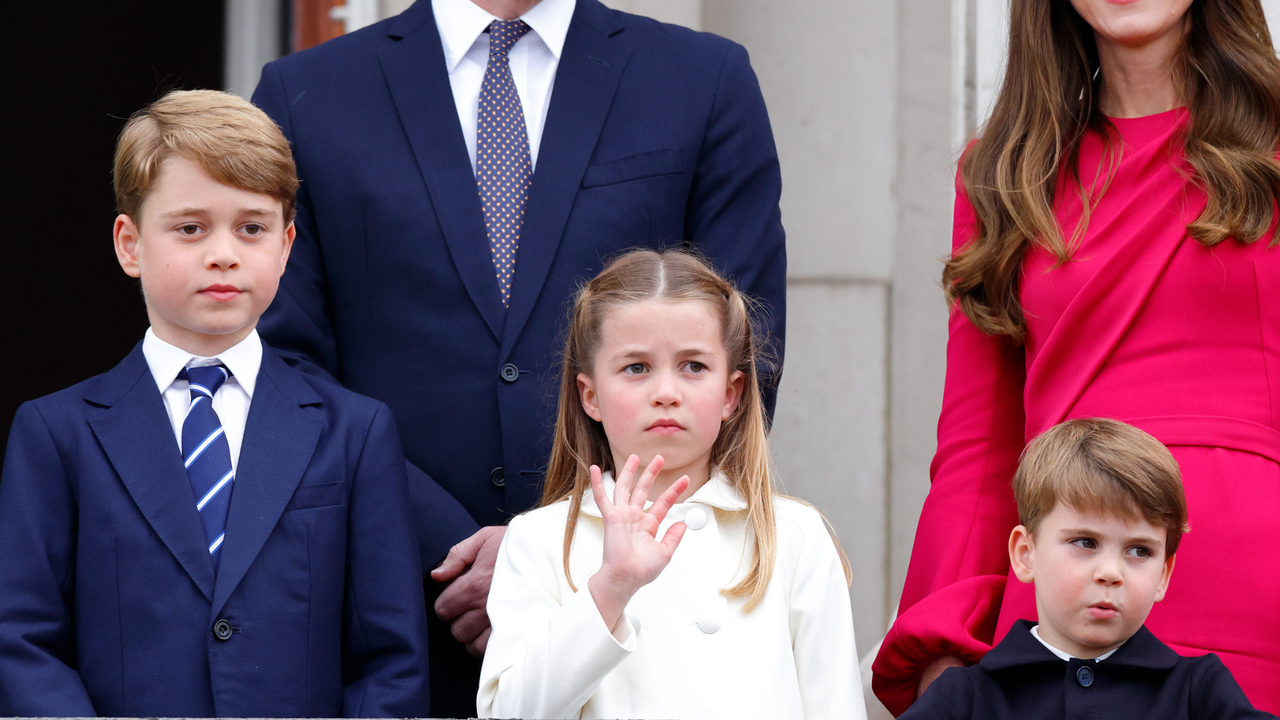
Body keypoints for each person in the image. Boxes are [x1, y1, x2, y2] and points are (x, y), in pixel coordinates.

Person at [250, 0, 786, 712]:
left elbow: (736, 344)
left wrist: (557, 549)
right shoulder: (305, 95)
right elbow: (281, 369)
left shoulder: (702, 80)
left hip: (641, 621)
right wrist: (445, 548)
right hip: (389, 621)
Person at [872, 0, 1280, 715]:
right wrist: (945, 644)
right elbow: (978, 444)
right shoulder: (1004, 173)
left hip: (1258, 598)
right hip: (1062, 609)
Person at [0, 90, 429, 717]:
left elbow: (390, 660)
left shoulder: (354, 433)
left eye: (251, 228)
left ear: (285, 248)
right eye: (191, 227)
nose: (223, 251)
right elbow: (20, 639)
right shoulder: (55, 434)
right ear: (130, 244)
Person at [476, 249, 858, 719]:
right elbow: (509, 713)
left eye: (694, 366)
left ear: (731, 394)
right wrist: (610, 589)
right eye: (636, 367)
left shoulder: (795, 536)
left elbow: (836, 706)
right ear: (590, 396)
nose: (666, 393)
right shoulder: (538, 541)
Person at [899, 418, 1275, 719]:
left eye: (1139, 551)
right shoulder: (966, 696)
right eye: (1085, 542)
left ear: (1163, 574)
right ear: (1025, 553)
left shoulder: (1199, 691)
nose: (1111, 572)